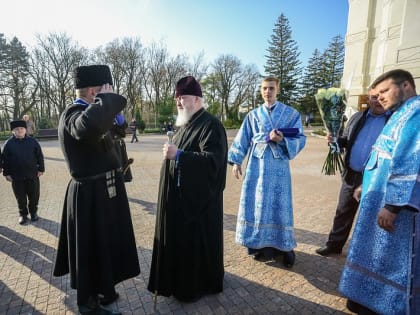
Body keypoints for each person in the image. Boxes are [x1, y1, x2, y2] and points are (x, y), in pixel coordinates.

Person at [53, 65, 140, 315]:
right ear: (94, 91)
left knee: (105, 244)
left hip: (105, 190)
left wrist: (118, 119)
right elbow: (88, 128)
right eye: (105, 90)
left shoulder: (91, 113)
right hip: (89, 193)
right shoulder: (73, 114)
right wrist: (107, 100)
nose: (109, 94)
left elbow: (114, 132)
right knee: (90, 249)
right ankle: (87, 304)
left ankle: (104, 289)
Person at [339, 69, 420, 314]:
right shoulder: (398, 114)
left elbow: (409, 160)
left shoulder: (415, 114)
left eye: (384, 91)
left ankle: (387, 306)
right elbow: (384, 155)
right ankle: (365, 298)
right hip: (378, 199)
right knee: (374, 253)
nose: (380, 98)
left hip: (395, 209)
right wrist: (368, 184)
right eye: (376, 94)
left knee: (390, 259)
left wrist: (394, 205)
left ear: (406, 85)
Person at [147, 76, 227, 303]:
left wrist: (180, 155)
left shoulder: (211, 125)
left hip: (198, 207)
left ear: (198, 99)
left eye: (183, 97)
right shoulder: (185, 124)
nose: (178, 102)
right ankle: (178, 282)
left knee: (195, 249)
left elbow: (213, 161)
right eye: (177, 98)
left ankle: (195, 286)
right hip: (181, 203)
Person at [228, 76, 306, 267]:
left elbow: (301, 138)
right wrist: (236, 161)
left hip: (279, 168)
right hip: (257, 167)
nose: (267, 92)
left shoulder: (290, 114)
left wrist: (283, 140)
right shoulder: (253, 115)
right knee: (257, 205)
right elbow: (243, 138)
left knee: (279, 205)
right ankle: (258, 245)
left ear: (277, 89)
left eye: (271, 88)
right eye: (264, 88)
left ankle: (284, 247)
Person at [316, 90, 390, 256]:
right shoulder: (357, 117)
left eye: (381, 97)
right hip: (352, 174)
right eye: (374, 97)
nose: (378, 100)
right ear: (368, 98)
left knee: (371, 217)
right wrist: (335, 140)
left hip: (376, 179)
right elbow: (345, 140)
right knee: (343, 212)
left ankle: (366, 254)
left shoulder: (392, 121)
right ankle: (334, 245)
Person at [1, 119, 44, 225]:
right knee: (20, 197)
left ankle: (34, 212)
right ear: (13, 131)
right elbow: (4, 160)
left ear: (25, 130)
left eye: (21, 129)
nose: (19, 131)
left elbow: (39, 156)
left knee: (34, 195)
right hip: (16, 176)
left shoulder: (33, 141)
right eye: (16, 129)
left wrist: (41, 169)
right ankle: (23, 214)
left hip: (32, 174)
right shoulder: (8, 144)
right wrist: (6, 173)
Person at [110, 113, 133, 182]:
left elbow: (124, 127)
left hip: (119, 145)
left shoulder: (116, 113)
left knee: (121, 173)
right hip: (112, 146)